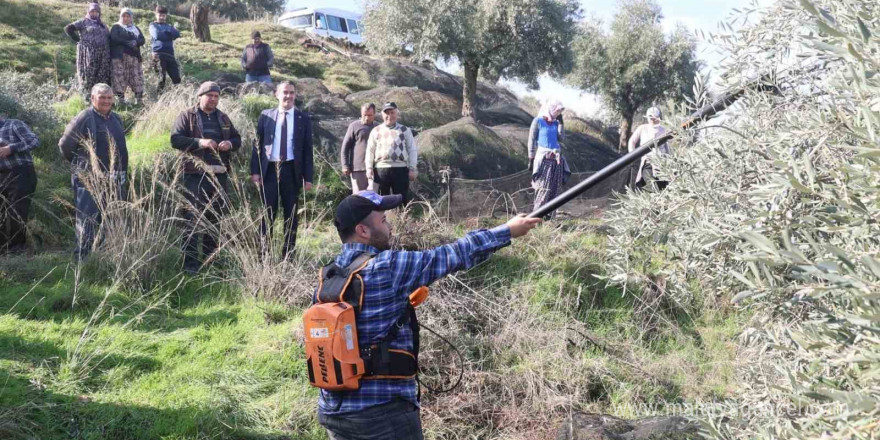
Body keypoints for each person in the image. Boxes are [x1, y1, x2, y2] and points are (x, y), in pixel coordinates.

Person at [316, 190, 541, 439]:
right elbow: (454, 254)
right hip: (381, 413)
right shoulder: (387, 267)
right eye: (383, 221)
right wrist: (507, 230)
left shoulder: (329, 275)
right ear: (363, 230)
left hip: (334, 411)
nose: (389, 227)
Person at [171, 82, 241, 273]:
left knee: (214, 220)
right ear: (200, 96)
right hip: (194, 175)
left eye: (216, 96)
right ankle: (191, 265)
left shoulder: (223, 117)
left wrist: (230, 143)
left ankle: (211, 263)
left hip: (219, 176)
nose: (213, 99)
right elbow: (175, 139)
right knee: (192, 219)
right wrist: (200, 142)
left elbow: (237, 139)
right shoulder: (187, 115)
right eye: (209, 95)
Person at [58, 83, 129, 261]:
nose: (106, 101)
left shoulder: (116, 118)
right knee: (87, 220)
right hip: (89, 179)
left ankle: (104, 257)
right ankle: (82, 261)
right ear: (92, 98)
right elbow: (65, 145)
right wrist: (81, 167)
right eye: (101, 97)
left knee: (111, 218)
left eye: (109, 98)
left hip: (114, 179)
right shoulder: (84, 117)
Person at [250, 81, 314, 258]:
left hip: (292, 171)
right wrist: (255, 171)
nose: (288, 96)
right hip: (270, 170)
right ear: (276, 94)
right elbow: (256, 145)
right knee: (268, 213)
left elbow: (308, 150)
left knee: (291, 215)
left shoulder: (303, 118)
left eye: (292, 93)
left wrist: (308, 177)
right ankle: (263, 255)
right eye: (285, 92)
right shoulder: (266, 116)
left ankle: (288, 256)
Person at [365, 102, 417, 203]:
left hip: (400, 170)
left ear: (396, 113)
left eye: (392, 112)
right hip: (380, 170)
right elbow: (370, 150)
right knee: (381, 201)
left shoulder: (405, 130)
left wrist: (412, 168)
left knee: (401, 200)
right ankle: (384, 218)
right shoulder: (376, 130)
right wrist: (369, 168)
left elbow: (412, 149)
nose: (389, 116)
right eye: (386, 113)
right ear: (382, 114)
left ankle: (401, 218)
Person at [0, 117, 39, 254]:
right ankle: (3, 248)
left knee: (17, 211)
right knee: (2, 213)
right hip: (1, 175)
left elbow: (34, 141)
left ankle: (17, 248)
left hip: (20, 172)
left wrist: (11, 148)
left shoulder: (13, 124)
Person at [528, 100, 570, 219]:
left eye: (560, 112)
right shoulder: (538, 121)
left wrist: (561, 124)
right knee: (543, 189)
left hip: (556, 161)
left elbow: (561, 138)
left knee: (554, 189)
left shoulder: (555, 123)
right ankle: (536, 219)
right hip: (544, 160)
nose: (558, 113)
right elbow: (531, 140)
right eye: (557, 111)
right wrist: (530, 158)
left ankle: (550, 219)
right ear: (550, 109)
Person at [64, 3, 111, 99]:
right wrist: (78, 41)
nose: (94, 13)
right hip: (88, 54)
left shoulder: (102, 25)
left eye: (96, 12)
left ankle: (99, 97)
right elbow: (68, 28)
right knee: (88, 74)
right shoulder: (83, 22)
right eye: (92, 11)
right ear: (88, 12)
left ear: (99, 13)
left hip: (102, 54)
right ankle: (86, 97)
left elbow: (108, 37)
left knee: (101, 75)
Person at [628, 106, 671, 191]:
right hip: (648, 163)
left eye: (655, 118)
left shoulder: (664, 130)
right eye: (651, 118)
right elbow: (632, 141)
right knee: (653, 187)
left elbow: (668, 149)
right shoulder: (643, 128)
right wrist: (632, 155)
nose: (653, 120)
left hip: (662, 165)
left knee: (663, 188)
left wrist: (670, 164)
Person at [109, 8, 146, 105]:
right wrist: (127, 42)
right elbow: (114, 38)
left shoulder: (135, 28)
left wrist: (136, 42)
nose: (125, 18)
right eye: (123, 16)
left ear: (131, 18)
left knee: (136, 77)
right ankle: (121, 101)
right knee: (119, 77)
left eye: (128, 16)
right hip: (119, 58)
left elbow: (142, 39)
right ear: (120, 17)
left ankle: (139, 101)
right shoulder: (116, 27)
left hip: (134, 58)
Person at [340, 103, 379, 193]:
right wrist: (345, 165)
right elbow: (345, 146)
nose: (367, 118)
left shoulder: (378, 127)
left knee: (372, 198)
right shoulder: (354, 126)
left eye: (369, 115)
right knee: (358, 198)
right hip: (358, 168)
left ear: (374, 114)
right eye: (364, 115)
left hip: (375, 168)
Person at [149, 6, 182, 91]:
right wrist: (169, 33)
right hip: (158, 55)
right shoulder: (153, 25)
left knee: (177, 79)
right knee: (161, 79)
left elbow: (177, 34)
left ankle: (176, 97)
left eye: (163, 15)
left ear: (166, 16)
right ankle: (159, 99)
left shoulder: (168, 25)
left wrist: (167, 33)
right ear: (156, 15)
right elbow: (157, 35)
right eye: (160, 15)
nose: (161, 17)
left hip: (170, 55)